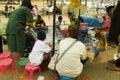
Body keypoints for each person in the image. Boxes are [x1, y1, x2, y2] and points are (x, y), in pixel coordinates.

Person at [6, 0, 34, 65]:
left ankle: (16, 63)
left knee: (14, 48)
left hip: (9, 28)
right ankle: (21, 64)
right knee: (20, 47)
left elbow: (18, 21)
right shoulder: (27, 9)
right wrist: (33, 27)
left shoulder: (18, 9)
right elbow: (28, 23)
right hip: (18, 29)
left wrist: (24, 29)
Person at [107, 1, 120, 71]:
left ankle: (118, 66)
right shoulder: (118, 4)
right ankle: (117, 60)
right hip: (116, 30)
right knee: (119, 47)